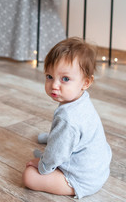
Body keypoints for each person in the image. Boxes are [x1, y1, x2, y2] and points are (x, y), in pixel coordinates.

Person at [22, 37, 112, 199]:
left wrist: (41, 164)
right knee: (63, 138)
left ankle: (53, 148)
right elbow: (74, 133)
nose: (54, 85)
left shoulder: (68, 118)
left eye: (65, 79)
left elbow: (57, 153)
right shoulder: (82, 100)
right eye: (49, 76)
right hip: (98, 166)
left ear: (86, 82)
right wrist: (54, 138)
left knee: (29, 176)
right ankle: (54, 139)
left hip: (83, 179)